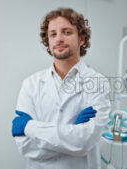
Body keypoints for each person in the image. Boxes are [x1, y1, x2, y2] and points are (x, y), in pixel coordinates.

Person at [11, 8, 111, 169]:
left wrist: (29, 127)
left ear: (81, 39)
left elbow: (83, 143)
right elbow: (25, 147)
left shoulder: (98, 82)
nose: (59, 39)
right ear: (48, 41)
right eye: (53, 34)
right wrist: (72, 134)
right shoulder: (30, 84)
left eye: (67, 32)